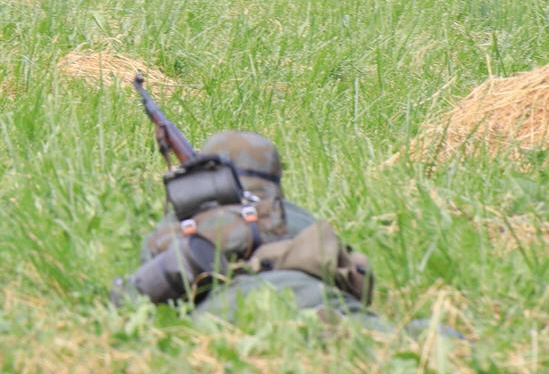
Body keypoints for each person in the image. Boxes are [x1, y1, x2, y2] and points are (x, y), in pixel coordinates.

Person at [112, 130, 382, 326]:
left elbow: (149, 275)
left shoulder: (184, 219)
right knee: (384, 335)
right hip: (305, 291)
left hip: (221, 311)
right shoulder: (293, 215)